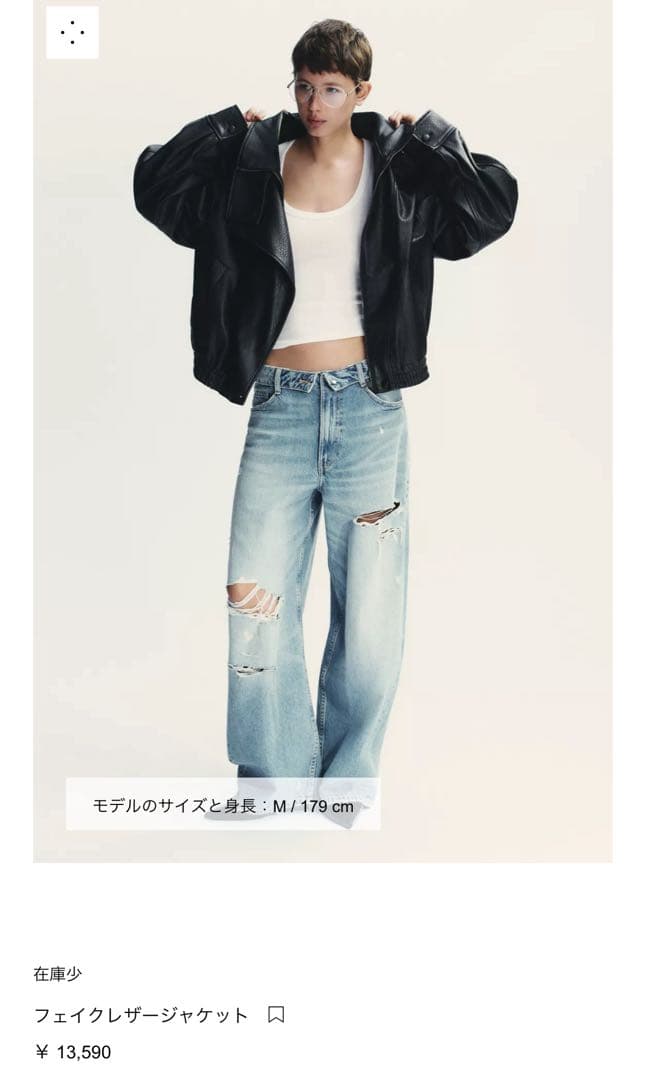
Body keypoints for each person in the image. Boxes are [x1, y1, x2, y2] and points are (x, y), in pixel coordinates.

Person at [133, 19, 519, 808]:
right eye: (304, 86)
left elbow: (490, 209)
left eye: (332, 90)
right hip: (279, 404)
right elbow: (155, 191)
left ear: (362, 91)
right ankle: (274, 784)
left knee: (371, 617)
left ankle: (346, 788)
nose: (314, 104)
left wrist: (434, 136)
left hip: (369, 407)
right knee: (256, 603)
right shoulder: (253, 163)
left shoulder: (399, 167)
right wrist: (222, 128)